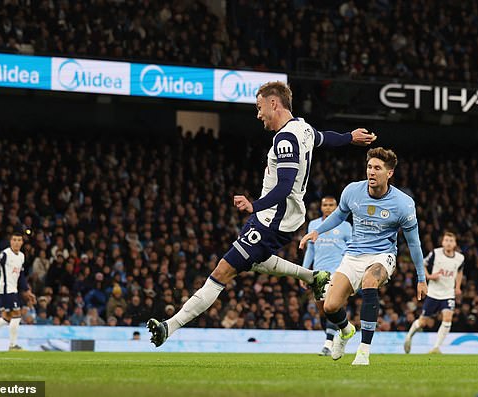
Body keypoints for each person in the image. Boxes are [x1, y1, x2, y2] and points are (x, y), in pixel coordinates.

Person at [147, 81, 377, 347]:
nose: (258, 115)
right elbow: (326, 138)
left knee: (223, 272)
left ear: (273, 103)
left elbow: (285, 185)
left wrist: (253, 205)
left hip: (271, 219)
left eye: (259, 108)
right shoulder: (303, 128)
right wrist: (350, 136)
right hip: (278, 217)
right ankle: (313, 278)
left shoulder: (285, 138)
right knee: (254, 261)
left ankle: (169, 327)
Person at [300, 147, 427, 366]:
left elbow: (413, 242)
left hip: (382, 255)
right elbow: (339, 214)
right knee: (330, 306)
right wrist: (317, 231)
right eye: (369, 167)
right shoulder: (352, 191)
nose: (371, 172)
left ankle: (364, 350)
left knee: (370, 281)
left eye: (377, 168)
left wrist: (421, 277)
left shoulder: (403, 203)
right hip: (353, 255)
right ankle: (346, 330)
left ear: (389, 173)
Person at [302, 196, 351, 356]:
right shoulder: (314, 225)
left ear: (337, 207)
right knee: (323, 310)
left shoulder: (345, 226)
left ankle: (328, 344)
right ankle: (332, 339)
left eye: (331, 205)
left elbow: (351, 247)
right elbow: (310, 250)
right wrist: (304, 271)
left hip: (338, 272)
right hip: (319, 272)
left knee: (332, 306)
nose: (328, 207)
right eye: (325, 205)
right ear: (321, 207)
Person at [404, 232, 464, 354]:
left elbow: (459, 272)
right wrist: (429, 276)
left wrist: (458, 287)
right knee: (422, 322)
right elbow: (422, 263)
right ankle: (409, 336)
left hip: (448, 294)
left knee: (448, 318)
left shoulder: (460, 258)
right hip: (433, 293)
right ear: (442, 242)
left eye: (451, 241)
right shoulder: (435, 253)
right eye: (446, 240)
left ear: (455, 244)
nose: (448, 243)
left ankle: (436, 347)